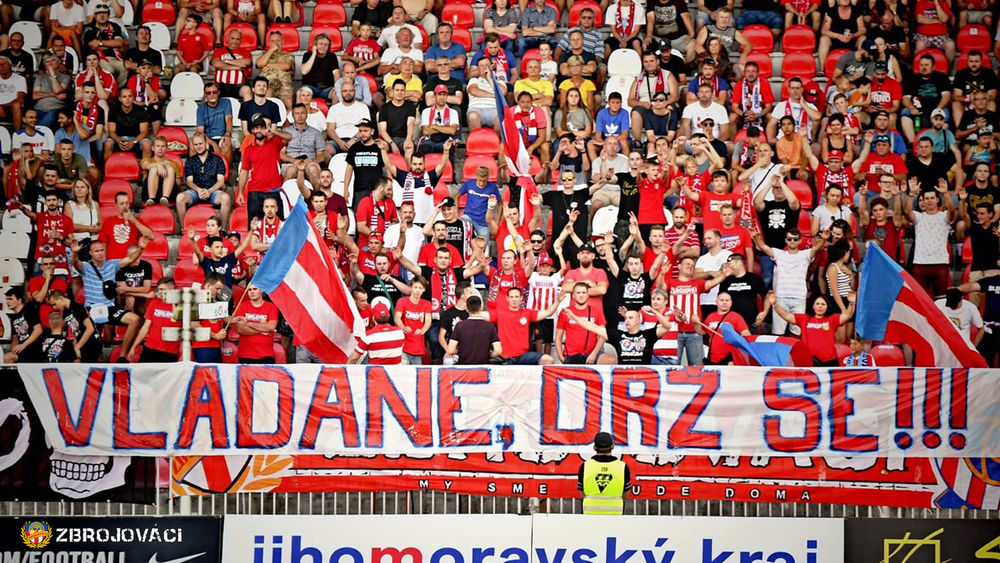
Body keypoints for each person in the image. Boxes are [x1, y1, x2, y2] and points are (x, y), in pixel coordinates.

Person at [770, 291, 856, 366]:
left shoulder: (832, 319)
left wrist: (852, 303)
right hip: (810, 361)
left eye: (823, 304)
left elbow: (847, 316)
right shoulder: (804, 319)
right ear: (813, 306)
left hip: (830, 361)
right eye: (817, 304)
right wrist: (775, 304)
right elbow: (786, 315)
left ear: (827, 307)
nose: (820, 306)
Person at [127, 277, 182, 362]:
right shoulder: (154, 303)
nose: (159, 292)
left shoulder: (181, 306)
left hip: (169, 351)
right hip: (150, 348)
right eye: (158, 289)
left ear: (171, 289)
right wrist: (134, 346)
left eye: (162, 289)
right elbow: (145, 327)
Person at [578, 431, 630, 515]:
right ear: (612, 446)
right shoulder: (623, 467)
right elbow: (626, 493)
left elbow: (581, 491)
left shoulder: (585, 466)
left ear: (594, 447)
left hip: (590, 514)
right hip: (615, 514)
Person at [447, 294, 502, 364]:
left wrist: (461, 351)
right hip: (483, 369)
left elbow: (450, 350)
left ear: (466, 308)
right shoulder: (490, 326)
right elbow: (498, 350)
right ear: (481, 308)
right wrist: (488, 355)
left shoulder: (460, 326)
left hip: (464, 368)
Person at [4, 288, 43, 363]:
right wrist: (14, 349)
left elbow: (38, 330)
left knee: (6, 358)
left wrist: (23, 345)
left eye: (10, 299)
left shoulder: (29, 309)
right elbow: (15, 337)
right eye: (7, 299)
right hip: (22, 350)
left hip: (33, 349)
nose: (7, 302)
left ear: (19, 301)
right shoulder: (13, 318)